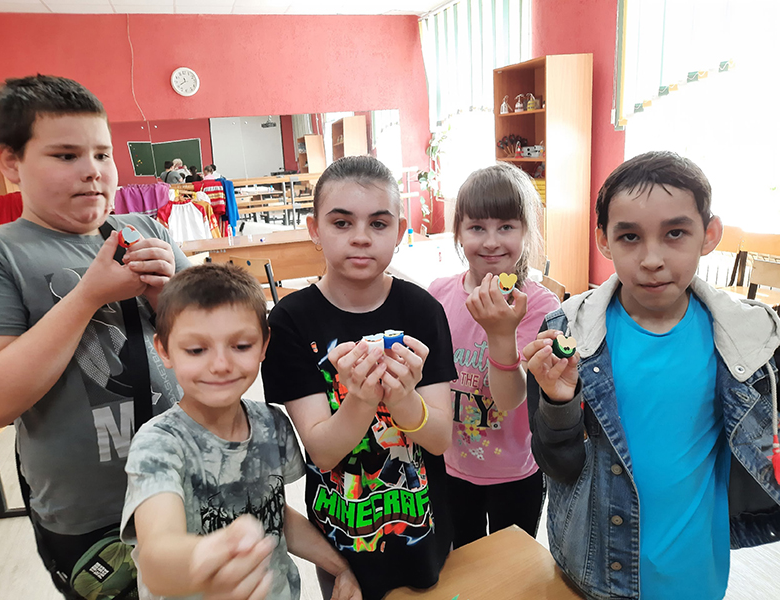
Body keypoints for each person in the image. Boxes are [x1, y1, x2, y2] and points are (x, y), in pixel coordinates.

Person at [524, 151, 780, 600]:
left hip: (696, 575)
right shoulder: (568, 334)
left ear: (709, 234)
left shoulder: (750, 339)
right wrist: (560, 403)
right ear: (604, 240)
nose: (652, 259)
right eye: (630, 236)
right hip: (593, 572)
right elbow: (557, 466)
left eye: (675, 233)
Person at [0, 74, 191, 598]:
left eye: (102, 154)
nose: (93, 171)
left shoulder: (147, 231)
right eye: (66, 155)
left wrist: (168, 297)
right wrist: (88, 296)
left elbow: (218, 348)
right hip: (91, 516)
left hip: (187, 475)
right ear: (11, 162)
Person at [261, 156, 457, 600]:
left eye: (379, 223)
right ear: (314, 230)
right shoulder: (290, 321)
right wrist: (363, 398)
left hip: (422, 527)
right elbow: (323, 451)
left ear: (400, 231)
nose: (362, 237)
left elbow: (439, 439)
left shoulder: (423, 311)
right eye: (342, 223)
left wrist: (403, 398)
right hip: (342, 540)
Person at [121, 263, 361, 600]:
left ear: (264, 345)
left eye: (242, 346)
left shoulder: (272, 424)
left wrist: (341, 567)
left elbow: (275, 516)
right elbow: (156, 554)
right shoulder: (158, 445)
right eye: (196, 350)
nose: (220, 365)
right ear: (164, 350)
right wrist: (203, 564)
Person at [428, 163, 559, 548]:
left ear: (526, 232)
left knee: (510, 567)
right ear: (458, 232)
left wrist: (501, 333)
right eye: (476, 228)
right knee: (463, 561)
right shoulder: (437, 295)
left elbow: (510, 398)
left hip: (516, 470)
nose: (491, 242)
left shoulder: (539, 306)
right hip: (451, 466)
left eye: (506, 227)